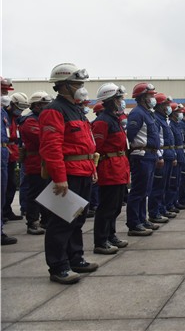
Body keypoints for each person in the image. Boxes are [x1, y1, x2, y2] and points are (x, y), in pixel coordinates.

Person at [39, 63, 98, 284]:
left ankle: (75, 259)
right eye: (77, 83)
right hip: (69, 173)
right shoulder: (54, 110)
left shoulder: (76, 109)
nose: (81, 87)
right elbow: (52, 148)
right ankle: (58, 267)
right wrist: (60, 178)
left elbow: (86, 144)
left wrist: (92, 169)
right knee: (62, 221)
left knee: (78, 220)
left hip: (83, 171)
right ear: (64, 86)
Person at [92, 83, 130, 254]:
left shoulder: (114, 119)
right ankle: (101, 241)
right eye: (119, 98)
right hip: (109, 168)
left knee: (115, 207)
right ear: (111, 100)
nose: (122, 101)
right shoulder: (102, 121)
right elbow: (96, 147)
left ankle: (110, 235)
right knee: (107, 207)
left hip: (118, 167)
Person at [126, 82, 160, 237]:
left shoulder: (147, 113)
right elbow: (130, 136)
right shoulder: (137, 113)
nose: (153, 98)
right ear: (142, 97)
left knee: (145, 191)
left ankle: (142, 219)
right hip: (141, 156)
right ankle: (134, 224)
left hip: (150, 155)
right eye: (150, 95)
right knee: (138, 191)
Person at [19, 91, 53, 235]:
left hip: (44, 161)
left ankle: (45, 220)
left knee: (47, 193)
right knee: (35, 193)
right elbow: (43, 138)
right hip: (35, 162)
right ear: (37, 105)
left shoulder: (41, 119)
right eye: (45, 104)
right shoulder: (30, 121)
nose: (47, 107)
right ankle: (32, 222)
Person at [148, 93, 176, 224]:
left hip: (168, 155)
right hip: (162, 156)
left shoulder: (164, 119)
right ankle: (155, 212)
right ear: (159, 106)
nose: (168, 107)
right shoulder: (157, 119)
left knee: (165, 186)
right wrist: (159, 156)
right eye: (166, 104)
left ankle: (162, 209)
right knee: (158, 187)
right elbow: (157, 140)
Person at [2, 92, 29, 221]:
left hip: (12, 153)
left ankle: (7, 210)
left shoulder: (17, 118)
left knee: (11, 184)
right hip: (5, 151)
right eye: (19, 108)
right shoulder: (4, 115)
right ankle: (3, 211)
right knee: (4, 184)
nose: (20, 111)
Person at [1, 76, 17, 245]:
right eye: (2, 90)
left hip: (4, 152)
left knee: (4, 190)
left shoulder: (3, 113)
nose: (5, 93)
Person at [165, 102, 184, 216]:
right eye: (178, 112)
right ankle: (169, 204)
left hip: (179, 154)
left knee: (177, 182)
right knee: (172, 182)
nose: (180, 113)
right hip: (174, 153)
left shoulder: (177, 125)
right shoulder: (171, 125)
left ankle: (174, 202)